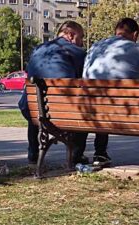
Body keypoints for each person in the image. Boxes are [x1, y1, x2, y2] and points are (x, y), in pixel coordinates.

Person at [18, 21, 89, 166]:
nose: (81, 43)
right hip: (63, 112)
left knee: (37, 109)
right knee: (85, 110)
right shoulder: (78, 53)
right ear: (70, 35)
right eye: (81, 38)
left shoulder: (37, 49)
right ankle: (76, 155)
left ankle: (33, 153)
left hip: (31, 109)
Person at [82, 18, 139, 167]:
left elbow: (85, 77)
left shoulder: (94, 48)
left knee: (100, 98)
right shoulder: (137, 49)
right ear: (135, 34)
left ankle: (100, 152)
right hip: (129, 112)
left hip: (93, 110)